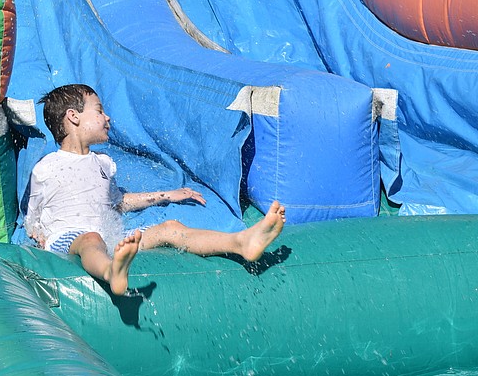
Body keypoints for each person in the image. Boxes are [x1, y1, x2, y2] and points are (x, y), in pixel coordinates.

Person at [25, 84, 286, 295]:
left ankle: (241, 242)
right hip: (68, 241)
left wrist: (166, 195)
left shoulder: (102, 163)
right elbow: (33, 217)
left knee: (170, 228)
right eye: (99, 111)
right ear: (73, 117)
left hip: (108, 239)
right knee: (91, 239)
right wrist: (38, 234)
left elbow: (119, 202)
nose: (107, 117)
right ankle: (110, 272)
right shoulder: (47, 167)